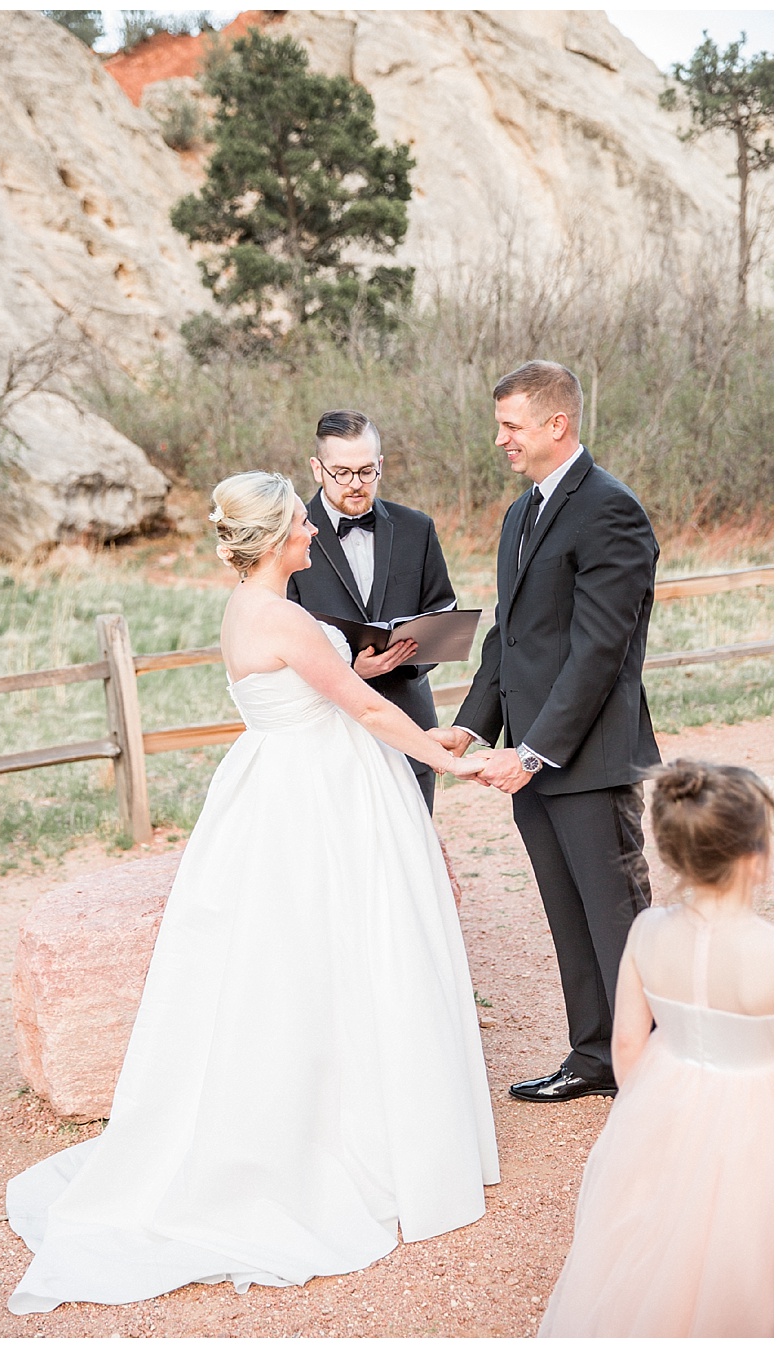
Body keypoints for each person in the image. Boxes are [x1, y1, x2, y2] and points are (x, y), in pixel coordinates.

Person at [5, 471, 499, 1315]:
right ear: (277, 540)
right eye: (303, 527)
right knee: (335, 954)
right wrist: (451, 756)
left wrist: (377, 671)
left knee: (301, 959)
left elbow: (335, 686)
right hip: (318, 796)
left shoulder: (251, 607)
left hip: (285, 780)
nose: (314, 534)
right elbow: (367, 714)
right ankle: (341, 1136)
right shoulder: (280, 615)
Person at [434, 360, 661, 1104]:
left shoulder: (610, 510)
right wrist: (471, 727)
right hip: (531, 753)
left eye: (512, 425)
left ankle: (654, 1069)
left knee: (617, 918)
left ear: (556, 424)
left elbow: (599, 652)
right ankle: (594, 1056)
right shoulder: (522, 512)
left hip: (585, 757)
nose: (501, 439)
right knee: (569, 915)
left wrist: (533, 752)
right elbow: (513, 635)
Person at [539, 761, 772, 1337]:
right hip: (761, 1117)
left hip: (668, 1098)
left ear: (672, 854)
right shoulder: (771, 952)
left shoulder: (646, 931)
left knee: (661, 1235)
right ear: (756, 859)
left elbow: (627, 1046)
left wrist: (650, 1115)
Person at [286, 409, 458, 812]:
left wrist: (403, 659)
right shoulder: (290, 537)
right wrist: (348, 671)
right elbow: (280, 628)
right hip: (328, 730)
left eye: (366, 472)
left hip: (409, 723)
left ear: (380, 464)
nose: (356, 484)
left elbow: (443, 612)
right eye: (341, 473)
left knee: (411, 858)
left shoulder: (417, 528)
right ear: (317, 468)